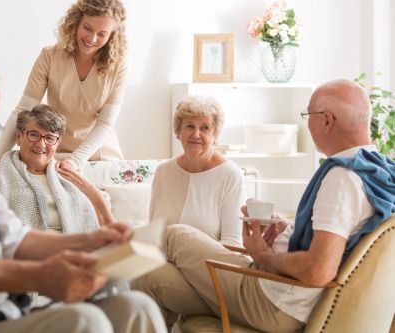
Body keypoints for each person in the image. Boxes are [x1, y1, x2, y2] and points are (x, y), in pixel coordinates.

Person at [0, 51, 167, 333]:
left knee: (135, 307)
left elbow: (18, 239)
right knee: (85, 321)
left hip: (7, 312)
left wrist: (92, 240)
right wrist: (37, 277)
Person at [132, 79, 395, 332]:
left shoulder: (342, 179)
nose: (307, 124)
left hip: (273, 301)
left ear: (326, 120)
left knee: (175, 234)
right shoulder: (375, 171)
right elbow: (327, 243)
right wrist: (287, 228)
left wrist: (264, 257)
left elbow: (318, 270)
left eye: (308, 115)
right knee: (150, 277)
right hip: (277, 296)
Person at [0, 0, 127, 172]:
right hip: (56, 150)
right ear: (76, 22)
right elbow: (23, 109)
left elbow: (105, 123)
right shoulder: (49, 56)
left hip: (99, 154)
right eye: (87, 28)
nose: (92, 38)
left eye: (102, 34)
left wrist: (76, 161)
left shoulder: (117, 66)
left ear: (112, 35)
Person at [0, 104, 116, 233]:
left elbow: (110, 226)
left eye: (49, 138)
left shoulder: (70, 178)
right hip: (25, 250)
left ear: (58, 143)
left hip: (75, 248)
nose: (41, 144)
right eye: (33, 135)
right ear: (19, 137)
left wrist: (92, 190)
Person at [150, 95, 246, 246]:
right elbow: (153, 233)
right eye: (189, 126)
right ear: (178, 132)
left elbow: (232, 243)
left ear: (215, 135)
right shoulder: (163, 171)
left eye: (204, 127)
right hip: (164, 262)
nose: (196, 134)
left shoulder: (230, 175)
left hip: (208, 266)